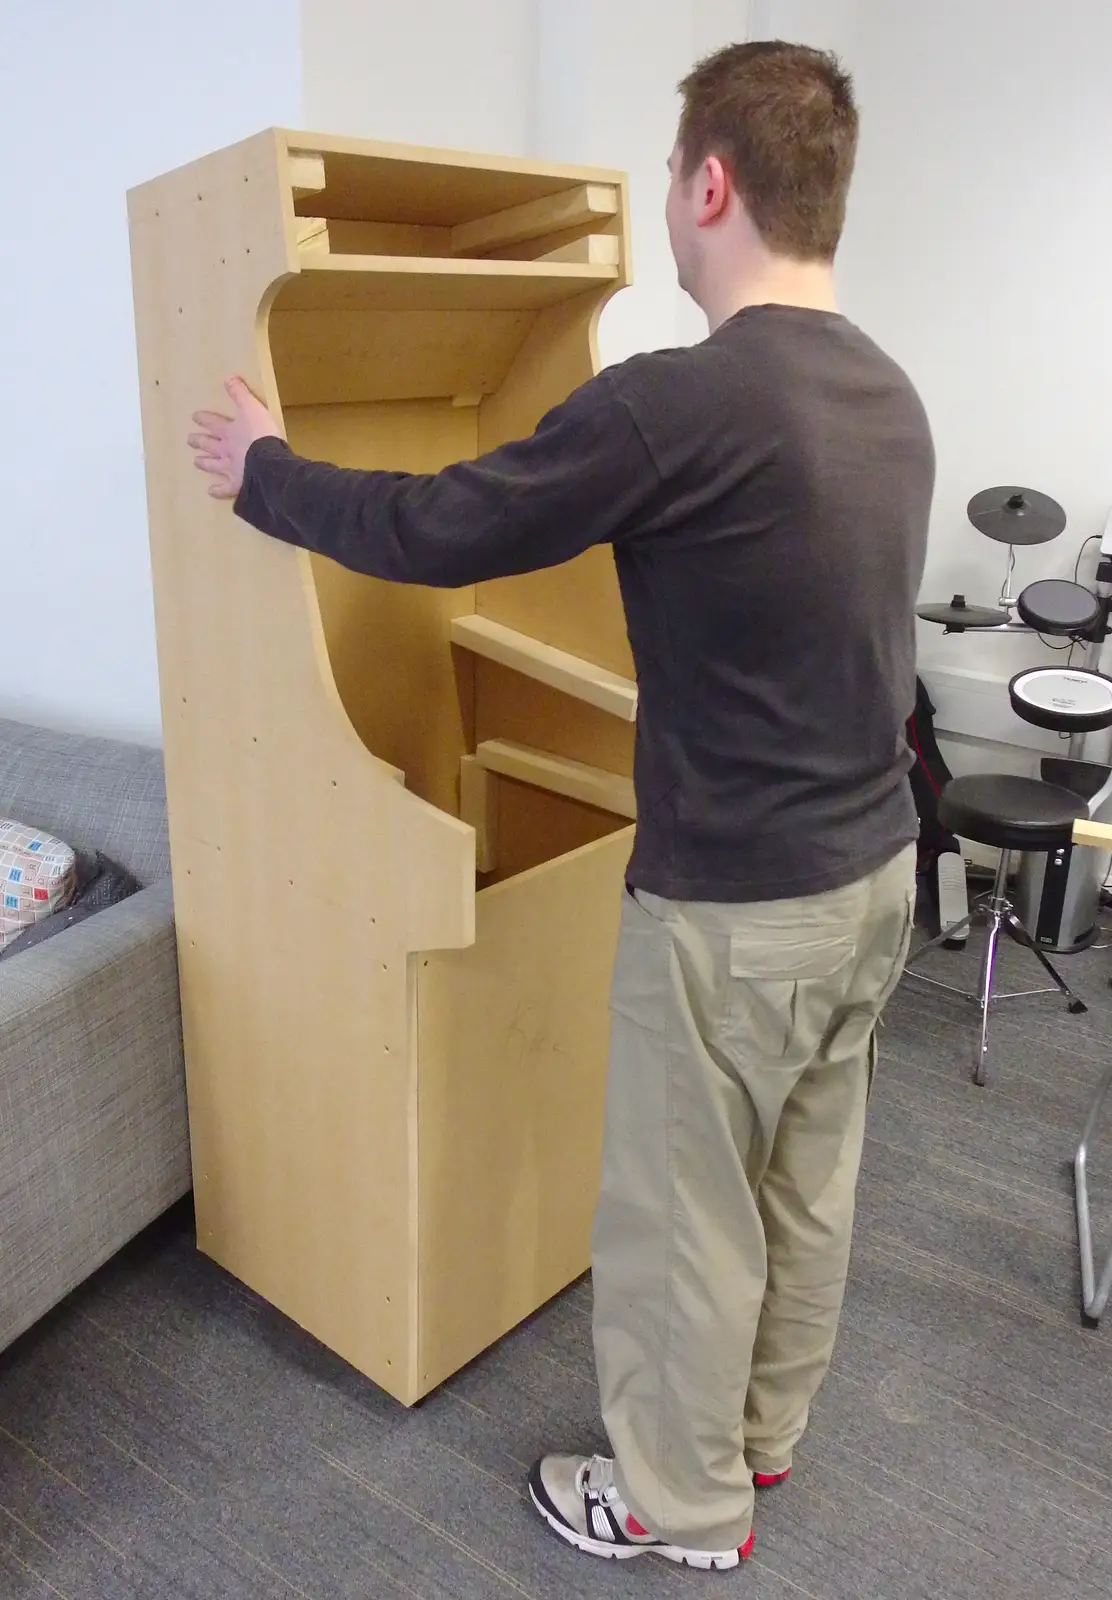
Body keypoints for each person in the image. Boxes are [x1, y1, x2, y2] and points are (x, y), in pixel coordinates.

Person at [188, 40, 933, 1574]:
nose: (667, 206)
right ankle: (763, 1445)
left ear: (709, 183)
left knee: (681, 1227)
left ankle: (673, 1504)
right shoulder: (889, 394)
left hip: (734, 909)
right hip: (872, 878)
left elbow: (435, 527)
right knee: (807, 1184)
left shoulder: (679, 405)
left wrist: (262, 470)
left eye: (671, 177)